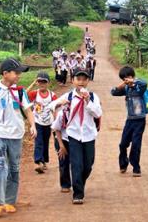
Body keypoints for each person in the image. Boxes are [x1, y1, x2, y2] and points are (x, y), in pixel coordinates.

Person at [0, 58, 37, 217]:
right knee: (0, 166)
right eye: (16, 72)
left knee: (14, 167)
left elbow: (28, 111)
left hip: (16, 135)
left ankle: (10, 201)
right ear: (5, 74)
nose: (18, 75)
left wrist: (33, 125)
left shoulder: (21, 92)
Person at [50, 68, 102, 204]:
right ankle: (78, 194)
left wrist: (87, 102)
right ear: (73, 80)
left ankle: (79, 182)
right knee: (76, 164)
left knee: (88, 165)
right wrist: (59, 104)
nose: (81, 82)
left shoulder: (93, 97)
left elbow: (97, 113)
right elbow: (51, 106)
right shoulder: (68, 96)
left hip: (89, 135)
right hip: (73, 135)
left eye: (84, 79)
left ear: (88, 81)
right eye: (78, 79)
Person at [111, 66, 148, 177]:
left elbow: (144, 83)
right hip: (129, 120)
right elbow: (113, 92)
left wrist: (134, 81)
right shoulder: (126, 89)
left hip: (140, 120)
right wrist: (121, 86)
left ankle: (136, 168)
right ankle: (123, 164)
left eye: (128, 77)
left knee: (136, 145)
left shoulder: (139, 88)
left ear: (132, 76)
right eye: (124, 78)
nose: (126, 80)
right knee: (122, 144)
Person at [27, 72, 58, 174]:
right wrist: (32, 84)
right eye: (39, 82)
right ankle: (38, 162)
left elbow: (55, 110)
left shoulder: (52, 96)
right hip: (37, 122)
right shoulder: (35, 93)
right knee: (39, 141)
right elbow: (24, 94)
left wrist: (55, 124)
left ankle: (44, 161)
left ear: (48, 83)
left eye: (44, 82)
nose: (42, 84)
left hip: (48, 123)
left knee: (45, 142)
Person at [52, 104, 72, 193]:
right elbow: (56, 129)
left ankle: (77, 183)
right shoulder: (63, 113)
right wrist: (61, 145)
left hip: (74, 140)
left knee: (76, 163)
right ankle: (65, 184)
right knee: (63, 161)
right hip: (61, 139)